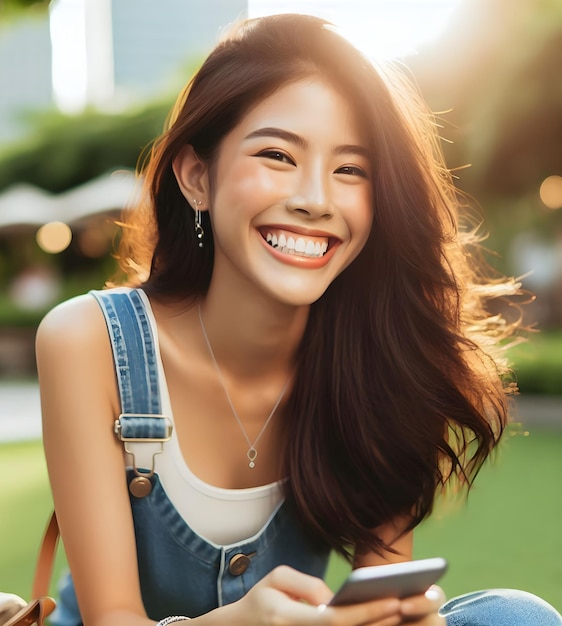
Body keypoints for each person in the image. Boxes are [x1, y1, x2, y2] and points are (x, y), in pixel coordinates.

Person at [35, 13, 562, 626]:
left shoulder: (381, 358)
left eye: (350, 169)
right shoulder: (90, 341)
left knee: (513, 616)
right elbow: (112, 617)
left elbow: (382, 587)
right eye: (278, 155)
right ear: (197, 176)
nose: (315, 198)